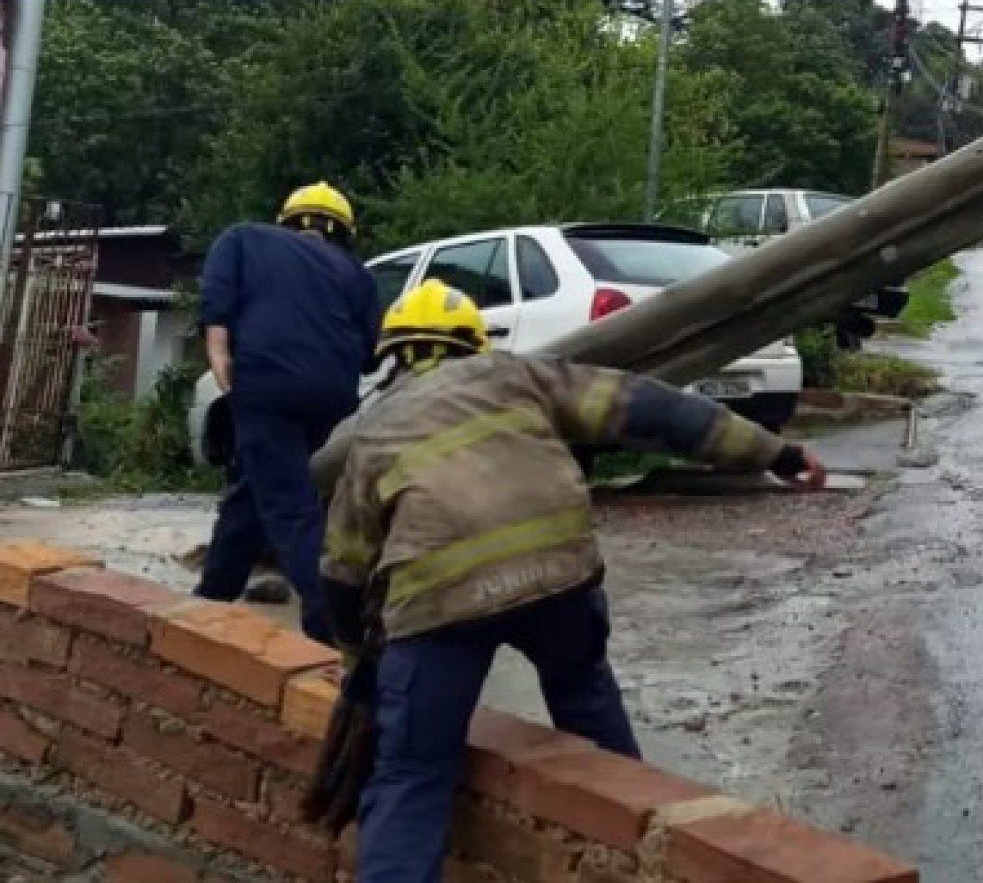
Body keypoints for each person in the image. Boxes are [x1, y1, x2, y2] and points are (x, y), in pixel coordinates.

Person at [318, 279, 827, 883]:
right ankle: (641, 848)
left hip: (437, 604)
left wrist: (356, 662)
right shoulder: (519, 376)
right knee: (587, 701)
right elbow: (654, 409)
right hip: (560, 576)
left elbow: (344, 572)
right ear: (474, 344)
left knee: (411, 774)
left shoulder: (373, 433)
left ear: (390, 358)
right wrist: (774, 453)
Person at [196, 183, 379, 643]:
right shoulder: (355, 272)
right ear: (341, 231)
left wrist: (220, 355)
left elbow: (216, 307)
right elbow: (371, 352)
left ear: (287, 219)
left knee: (290, 507)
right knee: (255, 490)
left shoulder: (242, 238)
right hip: (334, 397)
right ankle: (212, 596)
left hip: (266, 382)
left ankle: (330, 621)